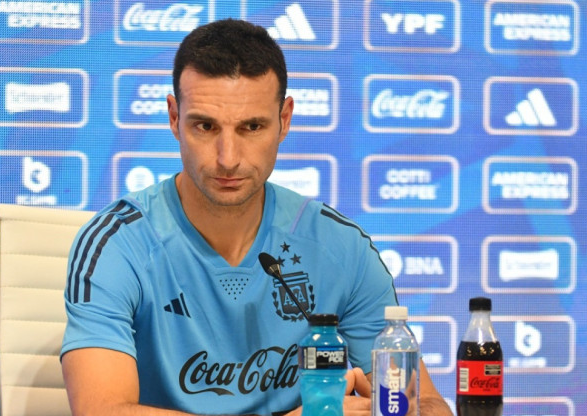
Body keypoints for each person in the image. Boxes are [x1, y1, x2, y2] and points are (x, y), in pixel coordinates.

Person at [60, 18, 452, 416]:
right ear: (174, 118)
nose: (227, 158)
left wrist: (394, 410)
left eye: (251, 127)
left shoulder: (340, 248)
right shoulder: (117, 243)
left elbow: (429, 405)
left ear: (284, 120)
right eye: (205, 126)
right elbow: (100, 410)